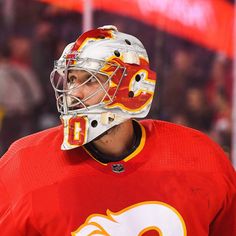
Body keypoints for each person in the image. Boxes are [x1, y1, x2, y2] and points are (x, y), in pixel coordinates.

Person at [0, 25, 235, 236]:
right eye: (71, 79)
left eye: (91, 80)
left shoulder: (200, 157)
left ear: (133, 87)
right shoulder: (24, 164)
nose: (74, 94)